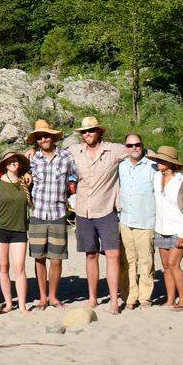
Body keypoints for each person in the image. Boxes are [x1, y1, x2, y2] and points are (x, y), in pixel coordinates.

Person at [69, 116, 126, 315]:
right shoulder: (75, 151)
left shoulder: (114, 150)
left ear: (99, 132)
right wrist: (32, 151)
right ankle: (92, 297)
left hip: (107, 209)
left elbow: (139, 152)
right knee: (90, 254)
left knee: (113, 254)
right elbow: (53, 154)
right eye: (84, 132)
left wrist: (177, 170)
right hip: (84, 210)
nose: (87, 134)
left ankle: (113, 299)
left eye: (91, 130)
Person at [25, 119, 77, 309]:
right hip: (37, 212)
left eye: (46, 135)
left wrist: (72, 183)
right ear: (36, 141)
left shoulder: (66, 156)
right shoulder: (31, 158)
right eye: (39, 137)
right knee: (38, 257)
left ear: (53, 137)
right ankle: (42, 297)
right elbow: (19, 172)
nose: (43, 139)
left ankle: (53, 296)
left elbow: (74, 174)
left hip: (58, 212)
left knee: (56, 258)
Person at [149, 146, 183, 311]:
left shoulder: (182, 181)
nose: (158, 162)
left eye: (161, 160)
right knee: (166, 265)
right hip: (161, 228)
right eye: (157, 159)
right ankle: (170, 299)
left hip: (179, 229)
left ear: (170, 163)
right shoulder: (156, 176)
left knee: (173, 264)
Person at [118, 133, 158, 310]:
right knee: (127, 261)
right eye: (130, 145)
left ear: (142, 145)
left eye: (137, 144)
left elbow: (166, 182)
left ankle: (145, 298)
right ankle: (130, 297)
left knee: (146, 261)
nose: (134, 148)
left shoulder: (152, 166)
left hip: (146, 220)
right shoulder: (120, 166)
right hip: (125, 220)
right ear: (125, 148)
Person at [0, 152, 32, 313]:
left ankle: (22, 305)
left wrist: (29, 172)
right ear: (4, 164)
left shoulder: (25, 181)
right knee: (3, 267)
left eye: (15, 161)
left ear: (20, 164)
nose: (12, 163)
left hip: (20, 229)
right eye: (9, 161)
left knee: (19, 268)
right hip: (1, 228)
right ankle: (9, 303)